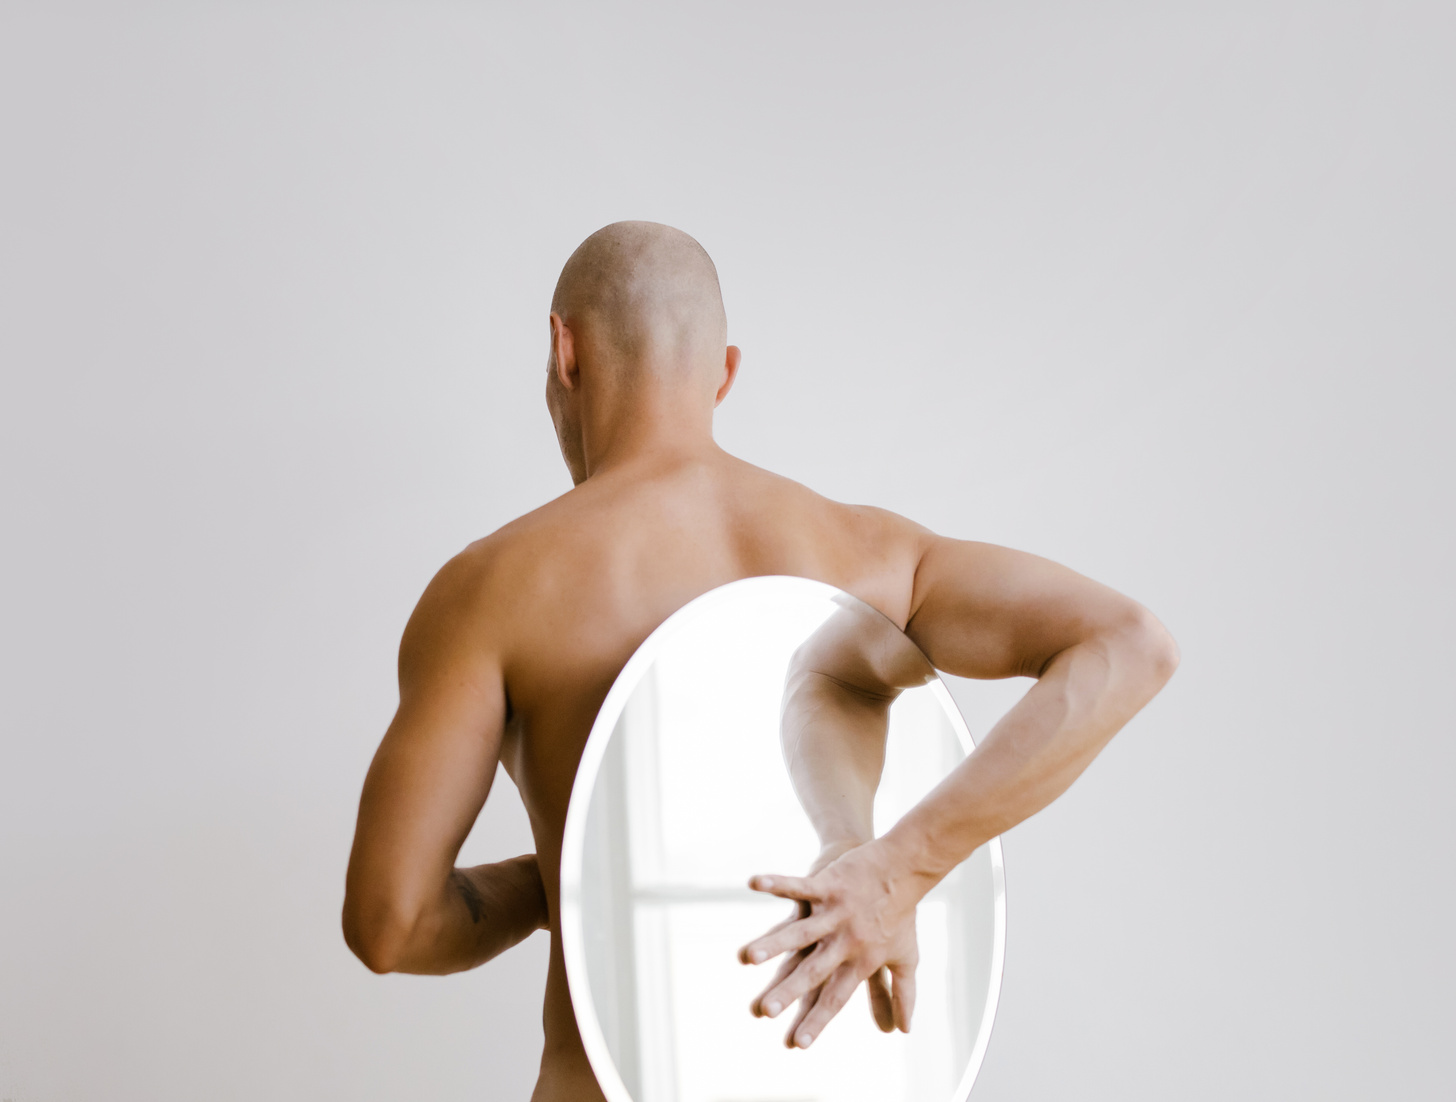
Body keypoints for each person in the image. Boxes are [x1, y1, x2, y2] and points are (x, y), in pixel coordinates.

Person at [342, 221, 1180, 1100]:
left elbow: (389, 923)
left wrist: (559, 884)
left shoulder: (491, 589)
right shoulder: (877, 554)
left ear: (564, 351)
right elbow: (1130, 645)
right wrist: (899, 869)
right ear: (724, 373)